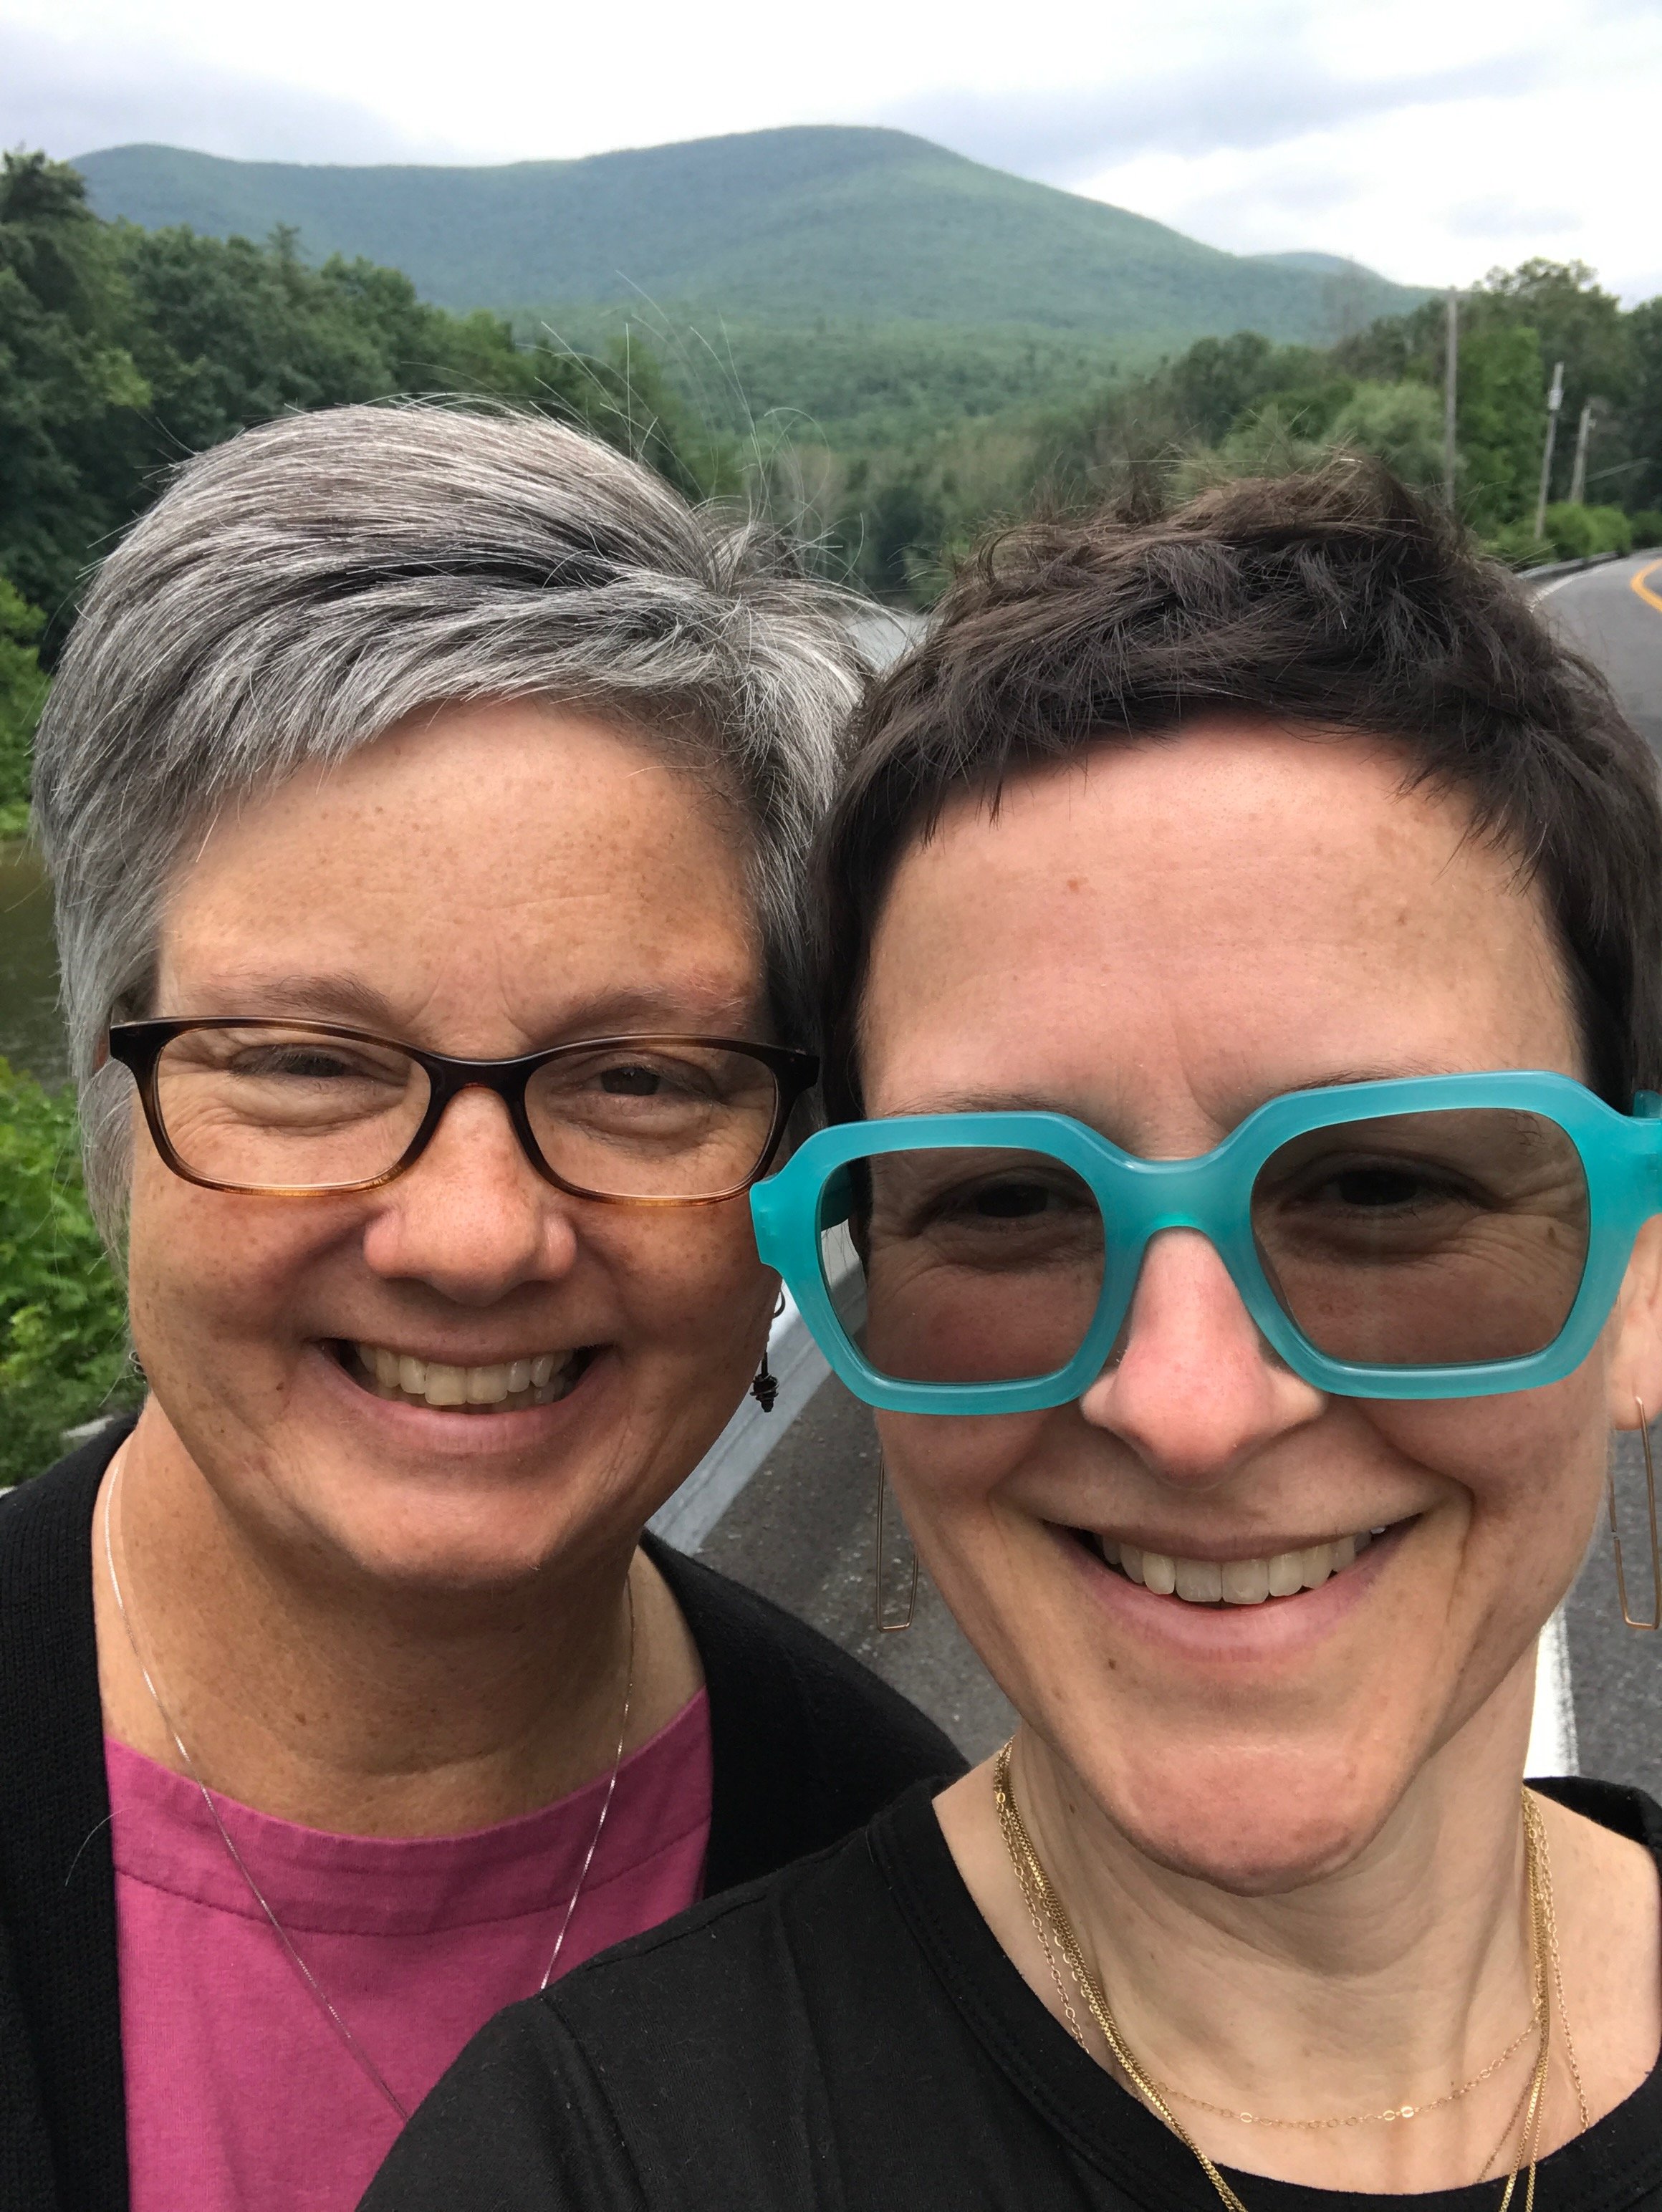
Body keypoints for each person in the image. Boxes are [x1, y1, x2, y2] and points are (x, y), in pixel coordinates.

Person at [362, 462, 1662, 2211]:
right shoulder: (584, 2163)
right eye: (1008, 1204)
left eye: (1375, 1192)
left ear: (1637, 1274)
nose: (1189, 1405)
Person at [0, 404, 961, 2212]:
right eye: (300, 1060)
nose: (470, 1234)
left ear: (790, 1163)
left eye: (637, 1078)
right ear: (111, 1110)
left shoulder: (905, 1888)